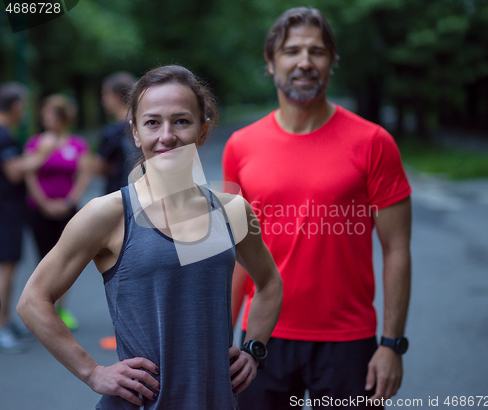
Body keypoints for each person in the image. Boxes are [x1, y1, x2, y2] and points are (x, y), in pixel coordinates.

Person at [17, 65, 283, 409]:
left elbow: (269, 284)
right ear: (136, 132)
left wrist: (253, 350)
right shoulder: (109, 213)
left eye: (182, 121)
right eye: (153, 122)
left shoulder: (232, 210)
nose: (167, 135)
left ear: (204, 130)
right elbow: (33, 300)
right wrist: (93, 372)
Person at [223, 7, 412, 409]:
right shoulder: (240, 146)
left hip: (348, 343)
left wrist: (392, 344)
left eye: (317, 51)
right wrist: (218, 339)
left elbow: (396, 249)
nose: (305, 61)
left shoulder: (374, 142)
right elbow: (237, 251)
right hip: (261, 338)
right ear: (270, 62)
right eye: (292, 51)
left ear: (331, 62)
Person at [24, 94, 91, 330]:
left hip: (67, 209)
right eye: (45, 116)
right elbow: (29, 175)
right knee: (43, 258)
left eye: (51, 115)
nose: (47, 120)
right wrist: (44, 203)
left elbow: (83, 175)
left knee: (65, 260)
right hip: (39, 210)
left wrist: (69, 201)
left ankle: (61, 309)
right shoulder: (35, 144)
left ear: (63, 118)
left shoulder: (77, 145)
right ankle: (41, 308)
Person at [0, 82, 55, 352]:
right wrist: (41, 154)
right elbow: (14, 172)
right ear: (16, 106)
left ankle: (6, 321)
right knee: (5, 270)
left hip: (9, 211)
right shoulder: (3, 136)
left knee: (8, 268)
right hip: (6, 211)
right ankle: (2, 326)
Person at [94, 71, 141, 194]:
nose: (103, 101)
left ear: (117, 96)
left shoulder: (112, 131)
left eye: (105, 95)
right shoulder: (146, 125)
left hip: (120, 195)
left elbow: (98, 167)